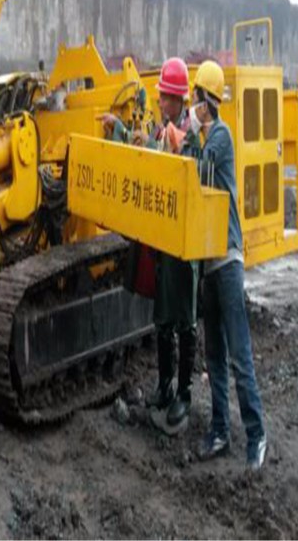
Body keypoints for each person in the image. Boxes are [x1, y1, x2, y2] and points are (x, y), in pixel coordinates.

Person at [102, 58, 199, 432]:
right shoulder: (164, 130)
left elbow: (192, 169)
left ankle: (184, 394)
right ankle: (164, 386)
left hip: (184, 246)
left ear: (178, 99)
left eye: (164, 97)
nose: (159, 102)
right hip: (162, 242)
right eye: (160, 97)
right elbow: (149, 154)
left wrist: (175, 146)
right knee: (162, 319)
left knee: (184, 319)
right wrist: (121, 130)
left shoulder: (191, 134)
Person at [190, 60, 268, 471]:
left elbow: (198, 169)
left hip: (228, 260)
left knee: (239, 353)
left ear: (207, 101)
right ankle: (220, 431)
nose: (192, 105)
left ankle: (257, 435)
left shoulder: (219, 135)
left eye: (195, 99)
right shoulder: (209, 136)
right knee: (216, 356)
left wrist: (187, 136)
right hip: (210, 264)